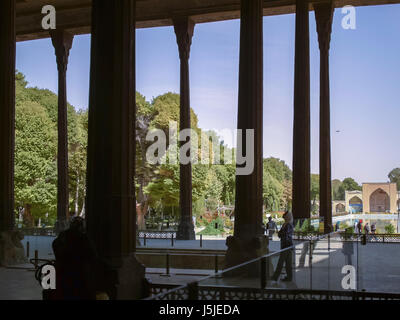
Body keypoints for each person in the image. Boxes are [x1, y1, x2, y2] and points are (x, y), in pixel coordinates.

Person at [51, 217, 98, 300]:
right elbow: (93, 254)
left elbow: (55, 246)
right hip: (80, 272)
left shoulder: (63, 236)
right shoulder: (84, 237)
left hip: (65, 271)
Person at [272, 211, 294, 282]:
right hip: (287, 245)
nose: (284, 217)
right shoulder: (285, 224)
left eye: (285, 216)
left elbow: (283, 234)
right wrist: (281, 233)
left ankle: (275, 277)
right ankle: (289, 278)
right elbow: (280, 235)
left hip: (286, 245)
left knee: (281, 262)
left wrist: (281, 233)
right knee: (288, 263)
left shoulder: (288, 225)